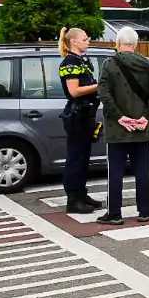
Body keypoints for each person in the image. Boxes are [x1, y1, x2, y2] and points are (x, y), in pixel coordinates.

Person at [95, 27, 149, 225]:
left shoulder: (109, 64)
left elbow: (104, 94)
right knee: (142, 171)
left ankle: (114, 213)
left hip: (117, 129)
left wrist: (120, 117)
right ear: (135, 44)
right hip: (143, 128)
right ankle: (145, 210)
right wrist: (144, 116)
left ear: (117, 43)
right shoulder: (148, 65)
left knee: (115, 171)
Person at [58, 27, 101, 214]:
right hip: (77, 114)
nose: (88, 41)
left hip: (86, 113)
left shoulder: (80, 61)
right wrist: (98, 86)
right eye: (84, 39)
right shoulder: (70, 63)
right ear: (73, 42)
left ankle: (82, 194)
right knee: (75, 157)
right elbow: (74, 91)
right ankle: (73, 199)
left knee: (83, 157)